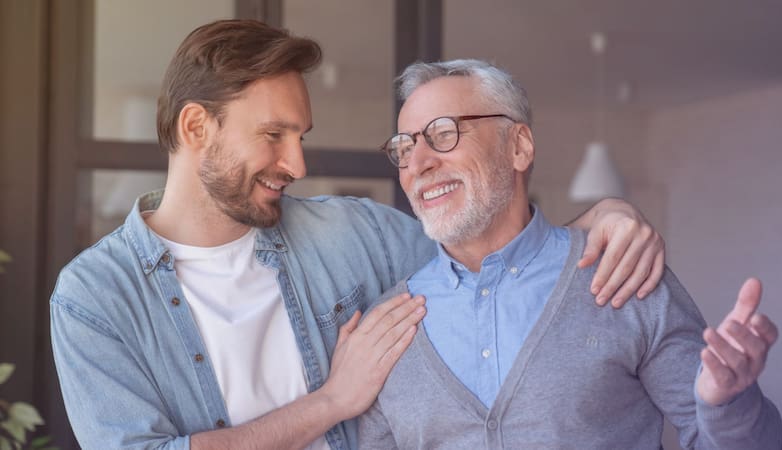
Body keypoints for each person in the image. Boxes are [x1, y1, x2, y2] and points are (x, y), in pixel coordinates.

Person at [50, 21, 666, 450]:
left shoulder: (355, 232)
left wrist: (598, 218)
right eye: (273, 136)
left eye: (302, 137)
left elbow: (492, 261)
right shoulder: (93, 299)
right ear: (195, 127)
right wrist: (330, 402)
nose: (297, 164)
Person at [358, 59, 782, 449]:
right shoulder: (386, 327)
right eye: (405, 147)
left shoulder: (625, 274)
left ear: (519, 146)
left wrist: (728, 405)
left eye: (443, 133)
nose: (418, 163)